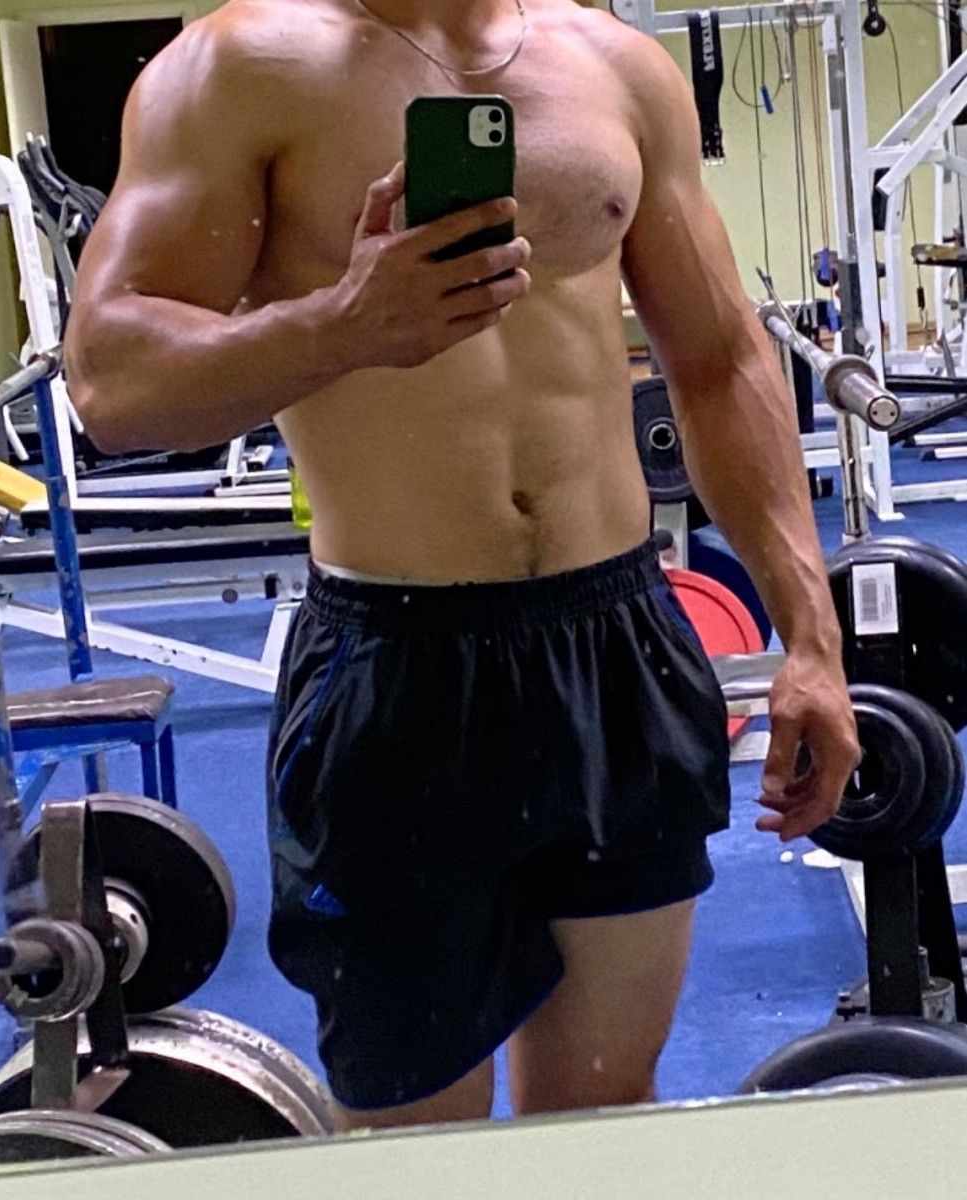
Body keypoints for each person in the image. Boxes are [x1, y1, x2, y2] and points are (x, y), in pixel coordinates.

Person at [66, 0, 860, 1132]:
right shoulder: (241, 67)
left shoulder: (618, 68)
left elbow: (722, 359)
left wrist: (812, 639)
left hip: (615, 643)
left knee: (603, 1111)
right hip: (398, 665)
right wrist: (342, 325)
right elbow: (109, 380)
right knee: (412, 1139)